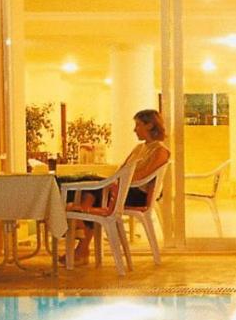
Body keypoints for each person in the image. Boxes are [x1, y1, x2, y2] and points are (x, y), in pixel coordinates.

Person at [65, 109, 170, 265]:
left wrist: (114, 183)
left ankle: (80, 218)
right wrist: (114, 181)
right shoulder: (139, 148)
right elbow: (122, 170)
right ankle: (81, 231)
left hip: (136, 194)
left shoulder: (160, 150)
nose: (134, 130)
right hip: (124, 189)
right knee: (89, 181)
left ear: (149, 125)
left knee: (93, 187)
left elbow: (141, 176)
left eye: (138, 125)